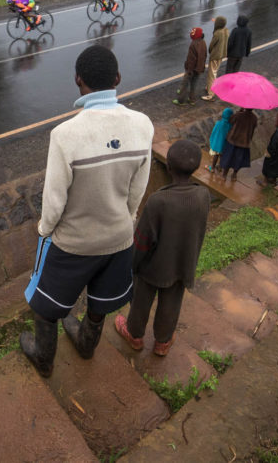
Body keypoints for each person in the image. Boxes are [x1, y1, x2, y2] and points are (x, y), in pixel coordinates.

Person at [20, 45, 154, 377]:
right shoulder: (143, 125)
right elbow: (138, 189)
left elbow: (54, 200)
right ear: (118, 79)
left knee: (46, 307)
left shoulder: (65, 135)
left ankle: (44, 358)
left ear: (78, 82)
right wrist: (125, 218)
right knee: (100, 305)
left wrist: (45, 230)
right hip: (119, 238)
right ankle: (85, 344)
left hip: (73, 243)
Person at [114, 139, 211, 357]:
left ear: (168, 166)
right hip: (182, 264)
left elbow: (142, 241)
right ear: (196, 168)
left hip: (152, 268)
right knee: (172, 303)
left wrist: (134, 265)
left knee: (140, 301)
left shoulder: (158, 201)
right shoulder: (203, 196)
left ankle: (134, 334)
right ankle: (162, 343)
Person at [218, 107, 257, 181]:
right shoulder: (254, 118)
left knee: (228, 158)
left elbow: (230, 120)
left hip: (233, 140)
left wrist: (239, 111)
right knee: (239, 160)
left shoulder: (239, 115)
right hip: (244, 142)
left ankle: (224, 175)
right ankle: (234, 175)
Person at [174, 27, 207, 105]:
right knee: (194, 84)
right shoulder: (203, 42)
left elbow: (191, 60)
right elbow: (204, 55)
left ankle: (181, 101)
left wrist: (189, 70)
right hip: (199, 68)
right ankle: (192, 100)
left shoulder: (193, 44)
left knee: (185, 84)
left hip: (191, 70)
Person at [201, 16, 229, 101]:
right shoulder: (226, 30)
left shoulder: (217, 33)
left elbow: (212, 45)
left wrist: (210, 51)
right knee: (215, 72)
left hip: (215, 55)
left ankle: (210, 94)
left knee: (211, 75)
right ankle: (209, 87)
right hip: (222, 54)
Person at [207, 107, 234, 172]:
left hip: (218, 143)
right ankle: (220, 167)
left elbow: (214, 132)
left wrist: (212, 140)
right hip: (225, 144)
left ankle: (212, 168)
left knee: (216, 155)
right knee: (222, 156)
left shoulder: (219, 123)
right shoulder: (230, 125)